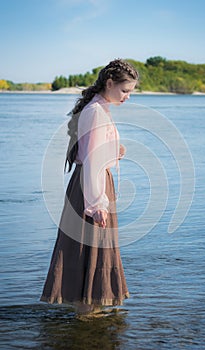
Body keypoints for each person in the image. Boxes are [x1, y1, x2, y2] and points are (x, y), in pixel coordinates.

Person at [40, 59, 139, 317]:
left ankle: (89, 317)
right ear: (109, 83)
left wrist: (115, 151)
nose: (128, 97)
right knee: (88, 252)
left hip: (89, 183)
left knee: (89, 253)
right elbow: (93, 160)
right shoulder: (96, 112)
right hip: (92, 188)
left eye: (131, 92)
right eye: (125, 90)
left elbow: (91, 151)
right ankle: (86, 318)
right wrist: (97, 204)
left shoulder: (99, 108)